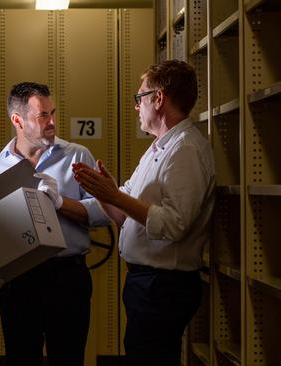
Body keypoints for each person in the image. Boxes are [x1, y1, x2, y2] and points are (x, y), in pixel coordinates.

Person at [72, 60, 215, 366]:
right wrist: (106, 194)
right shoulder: (159, 148)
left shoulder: (185, 150)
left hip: (163, 286)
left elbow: (175, 225)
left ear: (158, 98)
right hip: (149, 285)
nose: (137, 107)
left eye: (140, 98)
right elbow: (127, 215)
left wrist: (116, 197)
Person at [0, 81, 110, 366]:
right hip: (18, 283)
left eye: (53, 113)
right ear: (17, 120)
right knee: (21, 358)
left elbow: (105, 212)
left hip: (67, 278)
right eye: (43, 116)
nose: (52, 122)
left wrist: (61, 202)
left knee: (69, 358)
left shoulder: (77, 156)